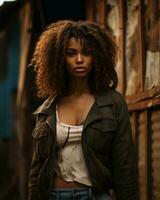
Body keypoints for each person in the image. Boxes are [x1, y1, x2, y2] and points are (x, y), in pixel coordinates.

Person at [28, 20, 139, 200]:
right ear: (59, 58)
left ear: (97, 56)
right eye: (71, 53)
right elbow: (37, 169)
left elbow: (124, 164)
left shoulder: (113, 103)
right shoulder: (47, 109)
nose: (79, 59)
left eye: (86, 53)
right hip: (54, 195)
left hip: (96, 195)